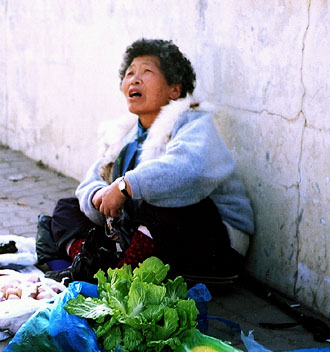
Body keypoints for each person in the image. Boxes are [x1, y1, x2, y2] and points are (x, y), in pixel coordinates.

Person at [41, 39, 254, 284]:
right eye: (130, 73)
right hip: (151, 239)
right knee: (67, 208)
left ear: (174, 90)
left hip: (215, 246)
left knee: (162, 205)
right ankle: (88, 266)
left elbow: (188, 172)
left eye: (147, 71)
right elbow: (91, 181)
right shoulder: (125, 133)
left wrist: (125, 186)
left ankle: (120, 274)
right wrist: (99, 196)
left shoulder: (194, 123)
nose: (134, 79)